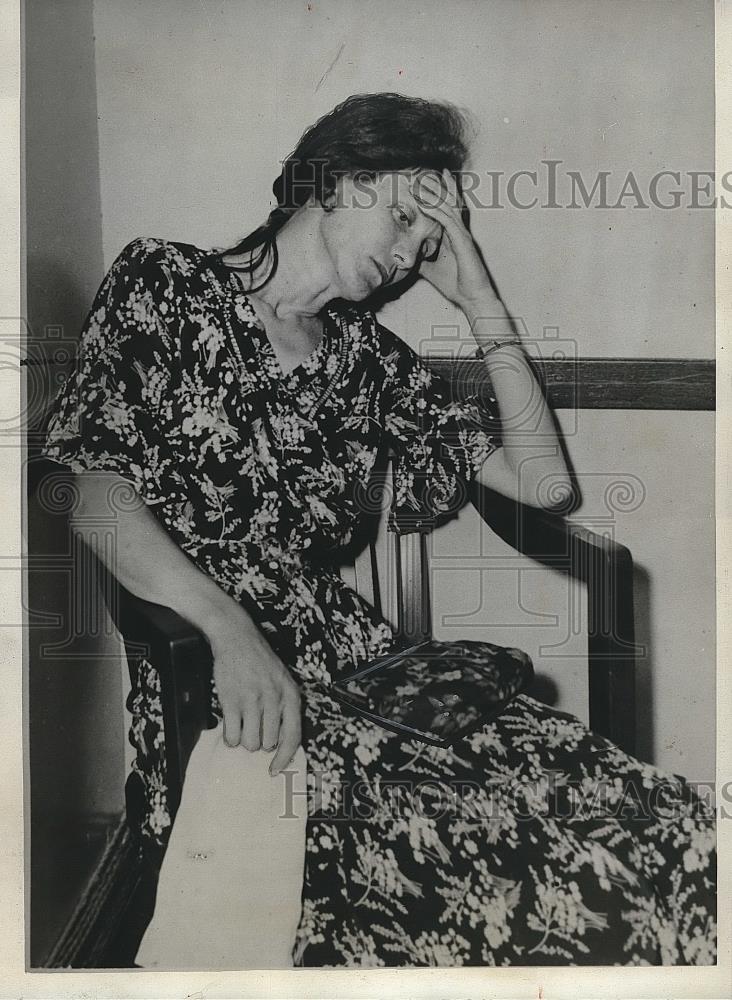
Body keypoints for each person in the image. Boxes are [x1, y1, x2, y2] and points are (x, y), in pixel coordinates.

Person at [42, 93, 716, 967]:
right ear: (334, 176)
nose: (406, 257)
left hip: (366, 668)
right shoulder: (165, 286)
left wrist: (478, 294)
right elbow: (91, 485)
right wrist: (228, 626)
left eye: (425, 247)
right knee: (529, 854)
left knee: (636, 813)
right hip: (210, 672)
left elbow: (546, 486)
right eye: (402, 217)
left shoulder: (368, 362)